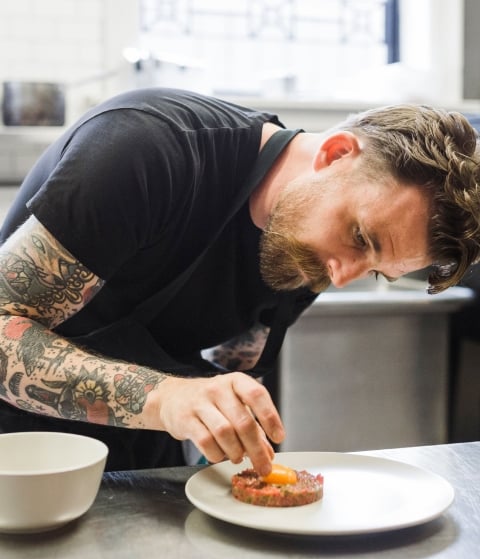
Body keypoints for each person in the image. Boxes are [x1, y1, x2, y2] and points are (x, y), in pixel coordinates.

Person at [0, 88, 479, 472]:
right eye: (360, 237)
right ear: (335, 154)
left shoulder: (309, 254)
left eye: (374, 270)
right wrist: (165, 397)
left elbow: (230, 374)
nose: (342, 275)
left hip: (140, 469)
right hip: (18, 461)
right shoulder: (147, 149)